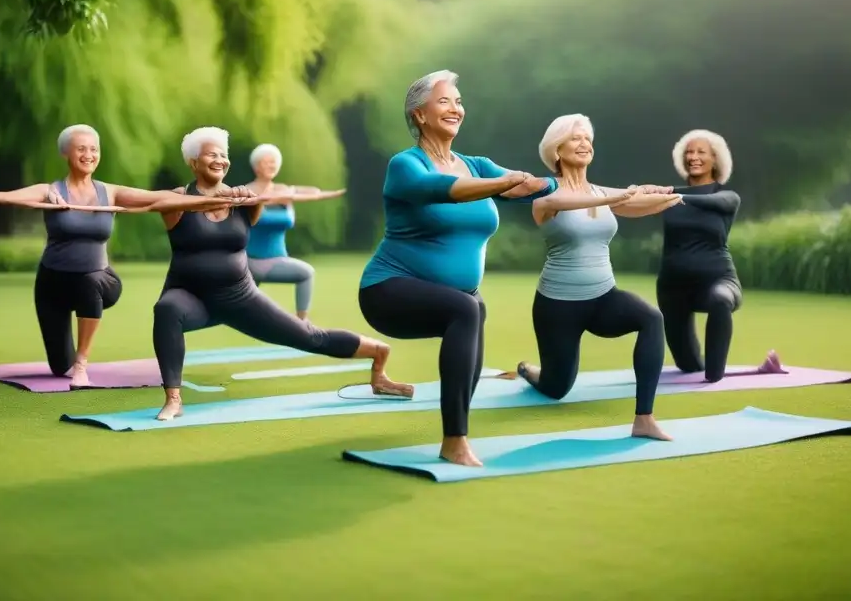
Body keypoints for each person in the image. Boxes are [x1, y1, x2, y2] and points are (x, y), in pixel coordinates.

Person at [358, 70, 557, 467]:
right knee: (466, 308)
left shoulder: (476, 164)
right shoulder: (406, 165)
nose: (456, 109)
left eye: (459, 101)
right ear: (419, 115)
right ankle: (454, 440)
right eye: (445, 101)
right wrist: (507, 183)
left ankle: (458, 422)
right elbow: (444, 191)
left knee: (473, 305)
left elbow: (531, 187)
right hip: (388, 290)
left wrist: (557, 180)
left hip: (456, 296)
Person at [150, 126, 412, 421]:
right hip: (191, 298)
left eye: (224, 155)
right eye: (212, 154)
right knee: (167, 308)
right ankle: (174, 399)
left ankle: (378, 356)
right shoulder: (176, 200)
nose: (220, 160)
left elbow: (274, 197)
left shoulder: (246, 202)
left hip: (240, 297)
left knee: (310, 337)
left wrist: (251, 197)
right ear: (193, 162)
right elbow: (143, 200)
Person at [0, 123, 237, 388]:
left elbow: (160, 199)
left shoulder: (110, 192)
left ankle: (81, 364)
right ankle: (68, 362)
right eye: (81, 149)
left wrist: (219, 198)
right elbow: (14, 196)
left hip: (99, 281)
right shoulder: (50, 191)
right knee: (57, 366)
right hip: (53, 285)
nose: (89, 155)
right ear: (66, 153)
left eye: (93, 149)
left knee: (89, 283)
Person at [515, 114, 682, 441]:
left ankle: (644, 419)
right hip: (558, 306)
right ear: (556, 150)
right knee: (556, 387)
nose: (584, 143)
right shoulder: (546, 194)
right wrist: (616, 196)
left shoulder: (601, 192)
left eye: (587, 138)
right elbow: (566, 201)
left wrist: (669, 197)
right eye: (574, 138)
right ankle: (529, 371)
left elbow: (639, 204)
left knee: (651, 318)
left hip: (604, 298)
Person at [656, 129, 782, 382]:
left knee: (720, 299)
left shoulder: (727, 198)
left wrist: (673, 195)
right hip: (673, 290)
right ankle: (746, 369)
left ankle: (715, 377)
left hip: (718, 280)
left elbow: (716, 203)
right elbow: (632, 202)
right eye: (689, 152)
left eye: (701, 152)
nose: (693, 157)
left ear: (715, 159)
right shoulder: (665, 196)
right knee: (689, 365)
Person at [244, 143, 346, 320]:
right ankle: (302, 323)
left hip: (277, 258)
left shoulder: (283, 191)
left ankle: (301, 322)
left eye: (273, 162)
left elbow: (307, 192)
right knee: (306, 273)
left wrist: (327, 194)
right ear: (255, 166)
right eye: (265, 162)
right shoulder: (247, 192)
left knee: (240, 307)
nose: (270, 166)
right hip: (254, 260)